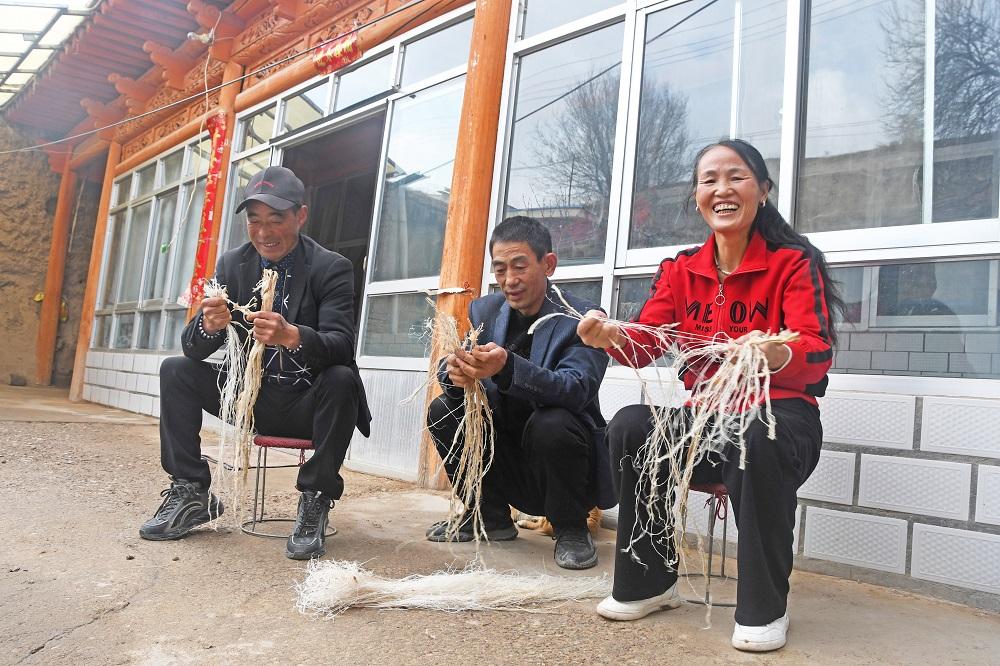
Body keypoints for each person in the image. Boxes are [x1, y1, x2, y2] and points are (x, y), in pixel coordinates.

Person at [577, 140, 841, 651]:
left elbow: (816, 351)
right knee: (632, 424)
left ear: (762, 191)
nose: (722, 189)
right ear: (697, 195)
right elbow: (645, 342)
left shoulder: (792, 262)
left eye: (737, 177)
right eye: (709, 180)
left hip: (780, 420)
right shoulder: (680, 270)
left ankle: (765, 608)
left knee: (756, 434)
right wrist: (609, 335)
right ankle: (649, 582)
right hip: (704, 422)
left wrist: (774, 353)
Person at [139, 166, 371, 561]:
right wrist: (209, 325)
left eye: (276, 219)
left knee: (342, 378)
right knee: (176, 369)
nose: (264, 232)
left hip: (308, 405)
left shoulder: (330, 267)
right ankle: (191, 491)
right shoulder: (234, 264)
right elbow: (193, 348)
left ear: (300, 216)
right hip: (249, 399)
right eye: (254, 221)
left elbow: (342, 344)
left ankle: (315, 498)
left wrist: (292, 336)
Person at [425, 216, 614, 570]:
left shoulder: (583, 319)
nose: (509, 281)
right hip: (505, 456)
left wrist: (508, 366)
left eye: (520, 266)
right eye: (500, 269)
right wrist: (455, 374)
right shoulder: (485, 311)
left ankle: (571, 526)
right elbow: (461, 368)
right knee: (443, 409)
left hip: (561, 466)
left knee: (553, 421)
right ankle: (488, 515)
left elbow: (577, 389)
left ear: (549, 264)